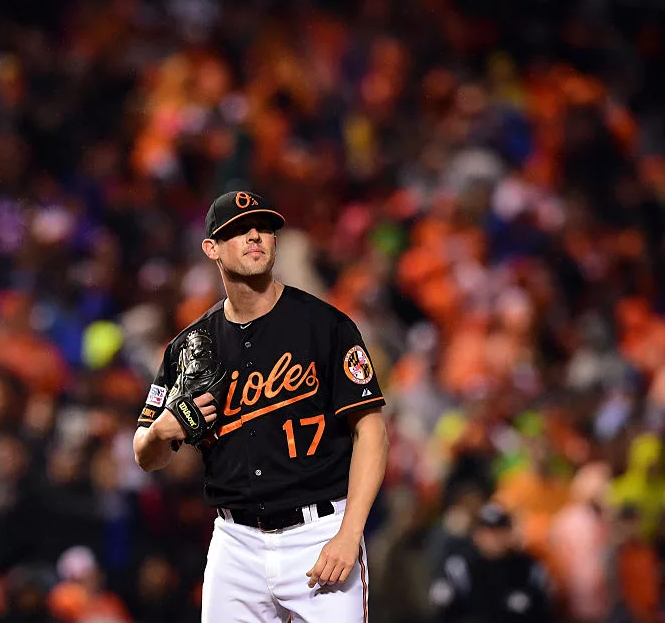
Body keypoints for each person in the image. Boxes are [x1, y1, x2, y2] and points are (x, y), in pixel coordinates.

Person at [133, 190, 389, 622]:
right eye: (238, 230)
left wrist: (350, 534)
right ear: (211, 248)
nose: (254, 235)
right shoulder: (190, 346)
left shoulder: (325, 326)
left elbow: (373, 431)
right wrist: (161, 431)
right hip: (235, 543)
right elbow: (145, 454)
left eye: (263, 228)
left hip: (320, 532)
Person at [429, 502, 553, 623]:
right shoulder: (459, 567)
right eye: (486, 532)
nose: (493, 539)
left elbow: (544, 610)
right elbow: (444, 610)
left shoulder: (528, 567)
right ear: (475, 534)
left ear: (509, 533)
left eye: (499, 532)